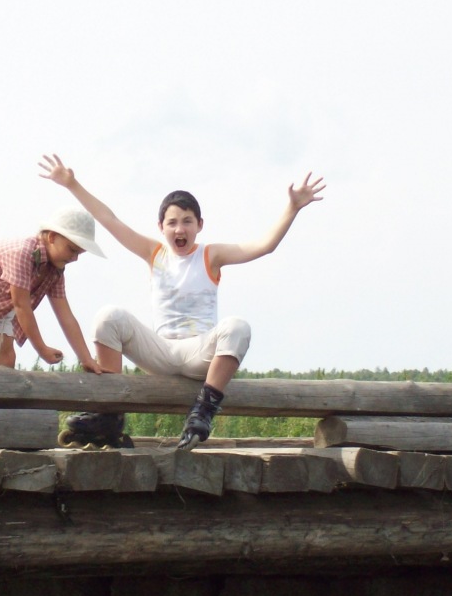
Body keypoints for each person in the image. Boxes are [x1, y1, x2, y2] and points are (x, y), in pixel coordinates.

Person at [39, 153, 325, 449]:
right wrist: (72, 184)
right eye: (172, 222)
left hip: (198, 353)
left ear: (199, 224)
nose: (180, 229)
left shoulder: (210, 255)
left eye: (187, 221)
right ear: (161, 227)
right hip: (160, 351)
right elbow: (109, 219)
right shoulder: (154, 253)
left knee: (238, 327)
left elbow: (264, 246)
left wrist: (292, 208)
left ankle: (203, 412)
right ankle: (109, 415)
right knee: (108, 317)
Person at [0, 208, 108, 385]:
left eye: (79, 254)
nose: (75, 258)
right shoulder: (22, 253)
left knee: (6, 362)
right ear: (52, 237)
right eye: (72, 250)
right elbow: (21, 306)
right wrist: (41, 348)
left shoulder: (55, 271)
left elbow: (66, 316)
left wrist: (86, 359)